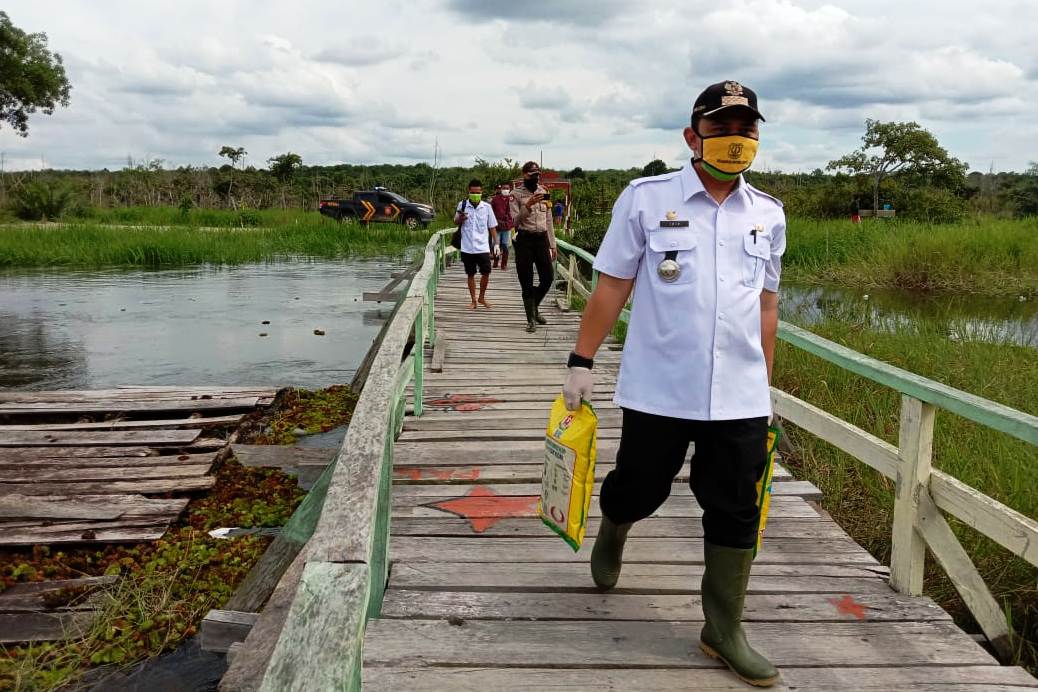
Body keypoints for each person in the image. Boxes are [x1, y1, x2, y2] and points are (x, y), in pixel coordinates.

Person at [561, 80, 785, 688]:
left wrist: (765, 383)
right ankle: (615, 527)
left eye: (746, 130)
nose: (735, 141)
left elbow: (766, 305)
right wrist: (580, 361)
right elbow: (611, 284)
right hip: (661, 384)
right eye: (722, 129)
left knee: (735, 503)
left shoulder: (767, 212)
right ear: (694, 136)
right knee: (640, 484)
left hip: (738, 392)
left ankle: (723, 628)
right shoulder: (644, 199)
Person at [509, 161, 558, 332]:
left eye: (537, 174)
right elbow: (515, 221)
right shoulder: (515, 195)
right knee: (526, 280)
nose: (535, 177)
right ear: (524, 174)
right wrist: (528, 205)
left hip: (541, 240)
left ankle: (534, 307)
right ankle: (531, 319)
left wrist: (553, 244)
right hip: (524, 240)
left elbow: (549, 219)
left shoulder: (544, 192)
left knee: (548, 278)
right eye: (532, 174)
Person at [454, 179, 498, 309]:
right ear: (469, 191)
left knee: (486, 272)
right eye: (473, 192)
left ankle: (482, 297)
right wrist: (460, 218)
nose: (475, 194)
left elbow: (492, 227)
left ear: (481, 192)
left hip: (483, 246)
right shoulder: (462, 205)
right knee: (470, 274)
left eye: (478, 192)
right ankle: (473, 300)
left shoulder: (487, 207)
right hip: (467, 246)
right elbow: (455, 221)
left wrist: (496, 244)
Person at [490, 184, 514, 269]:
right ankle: (496, 261)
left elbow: (514, 213)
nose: (505, 190)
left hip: (507, 226)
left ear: (510, 189)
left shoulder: (512, 199)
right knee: (495, 244)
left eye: (507, 188)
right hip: (496, 226)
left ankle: (504, 264)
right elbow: (491, 211)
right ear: (501, 189)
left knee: (505, 245)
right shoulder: (495, 199)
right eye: (504, 188)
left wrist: (510, 223)